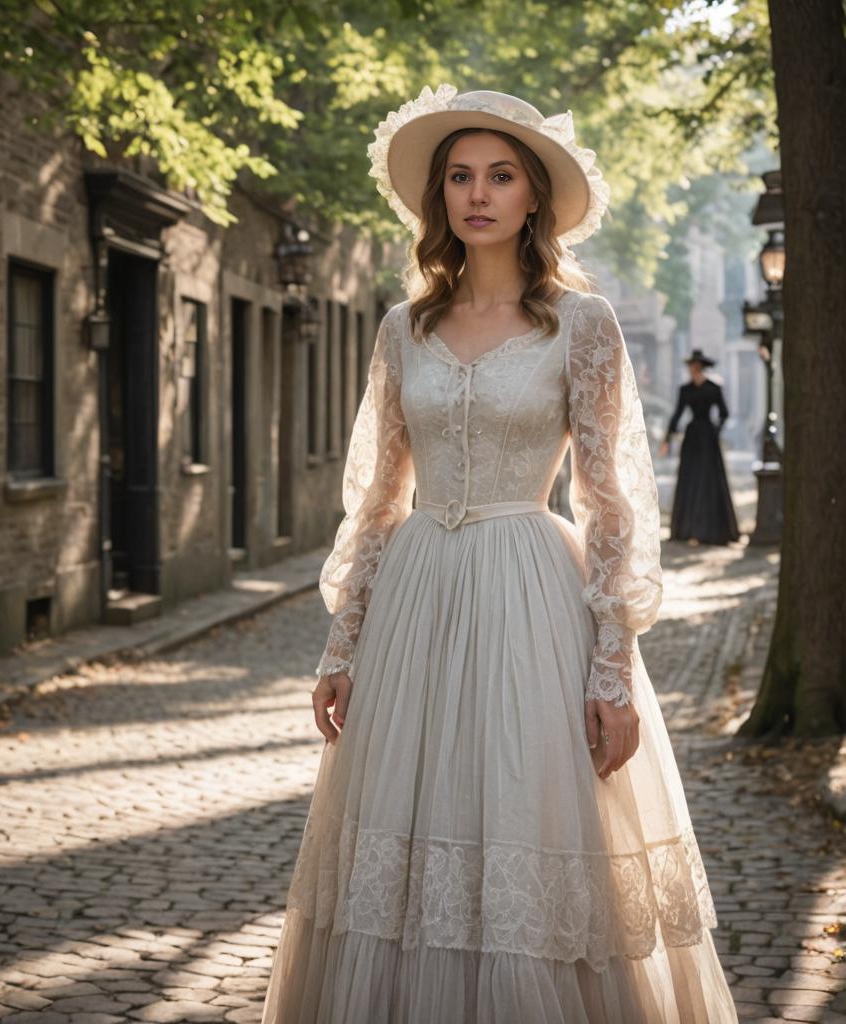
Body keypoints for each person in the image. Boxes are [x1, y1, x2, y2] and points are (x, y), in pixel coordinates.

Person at [261, 85, 737, 1023]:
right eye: (459, 178)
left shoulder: (583, 325)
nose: (477, 194)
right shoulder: (407, 330)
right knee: (406, 833)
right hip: (413, 605)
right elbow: (378, 500)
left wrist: (613, 668)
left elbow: (612, 507)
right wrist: (341, 646)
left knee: (529, 814)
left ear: (533, 198)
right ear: (440, 199)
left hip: (531, 594)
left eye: (500, 176)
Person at [658, 351, 741, 545]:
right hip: (693, 437)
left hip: (708, 438)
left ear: (700, 367)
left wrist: (716, 431)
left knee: (709, 479)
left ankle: (711, 530)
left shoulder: (714, 388)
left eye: (695, 366)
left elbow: (724, 413)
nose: (692, 369)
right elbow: (677, 414)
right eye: (690, 366)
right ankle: (687, 529)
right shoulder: (685, 389)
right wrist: (667, 439)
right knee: (689, 477)